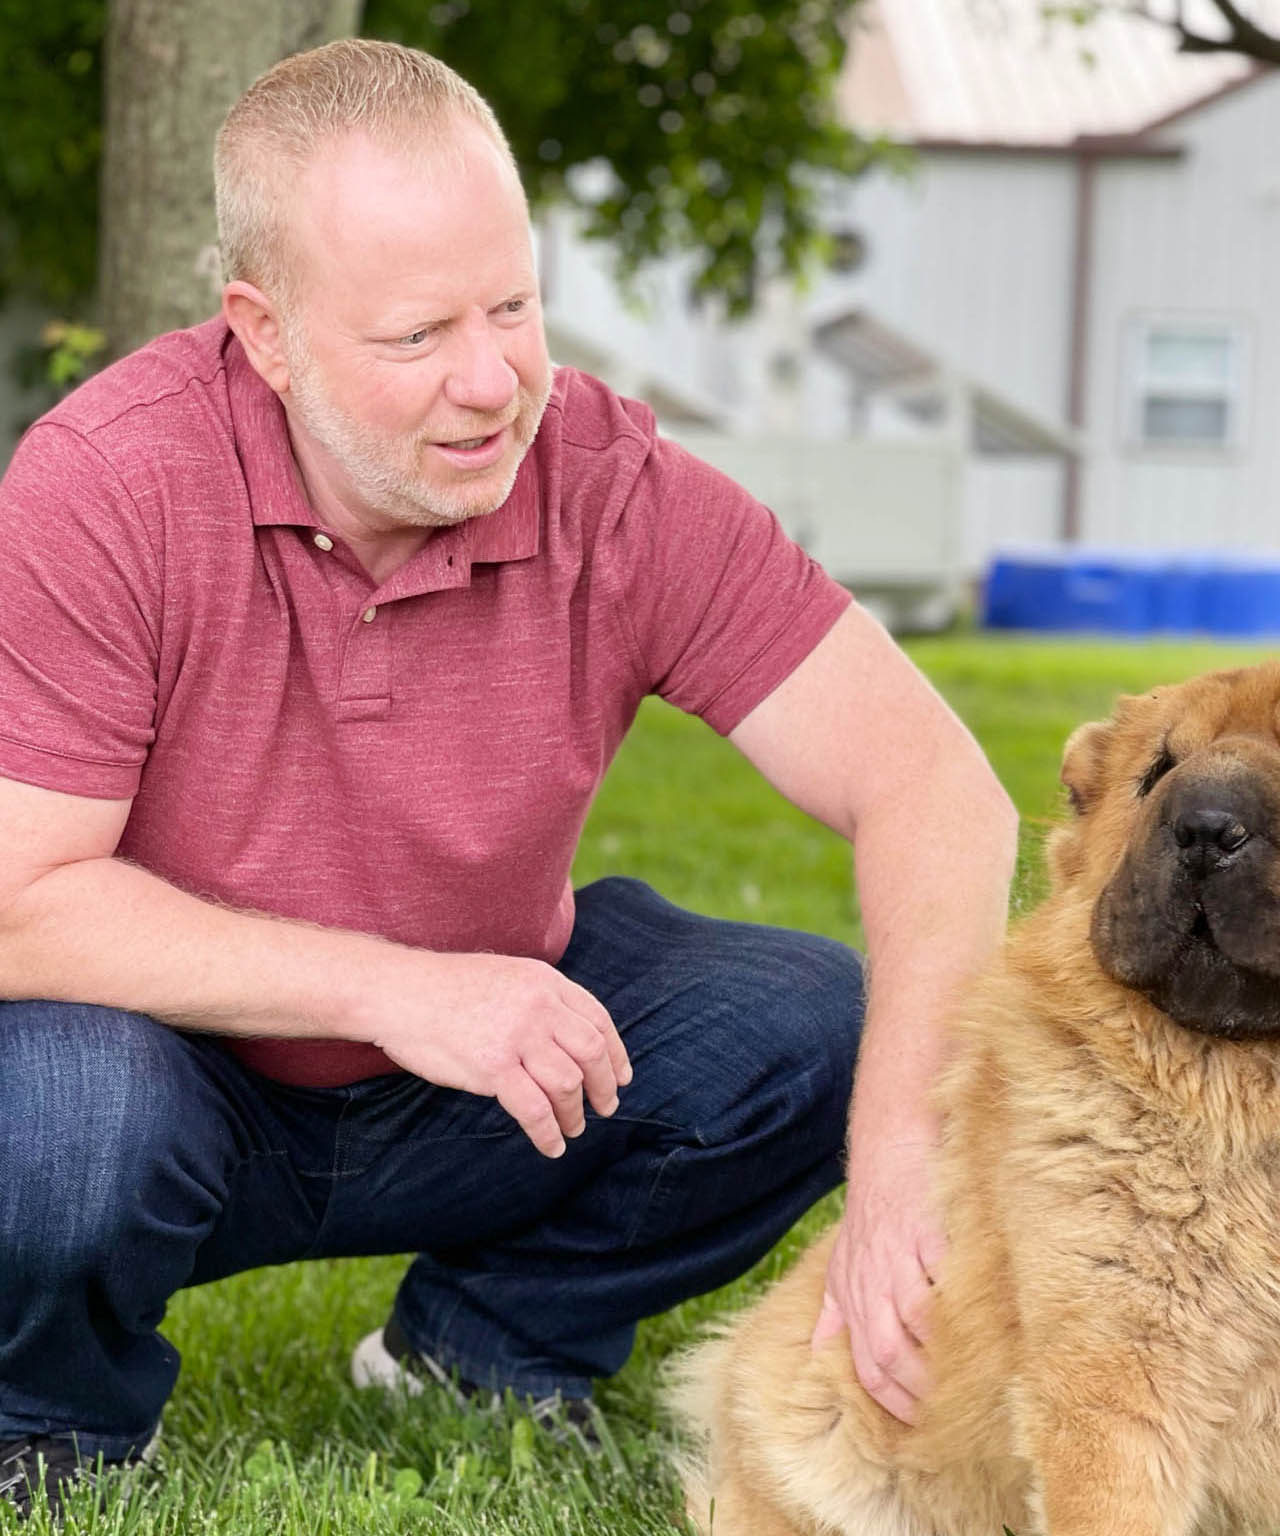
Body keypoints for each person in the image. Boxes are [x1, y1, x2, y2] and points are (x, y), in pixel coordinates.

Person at [0, 39, 1018, 1519]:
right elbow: (20, 907)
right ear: (265, 333)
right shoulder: (108, 485)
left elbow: (937, 786)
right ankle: (55, 1419)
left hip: (487, 1084)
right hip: (170, 1073)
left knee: (806, 1029)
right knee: (55, 1119)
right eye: (418, 337)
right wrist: (397, 987)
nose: (493, 382)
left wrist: (904, 1164)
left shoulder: (610, 485)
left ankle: (486, 1349)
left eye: (515, 307)